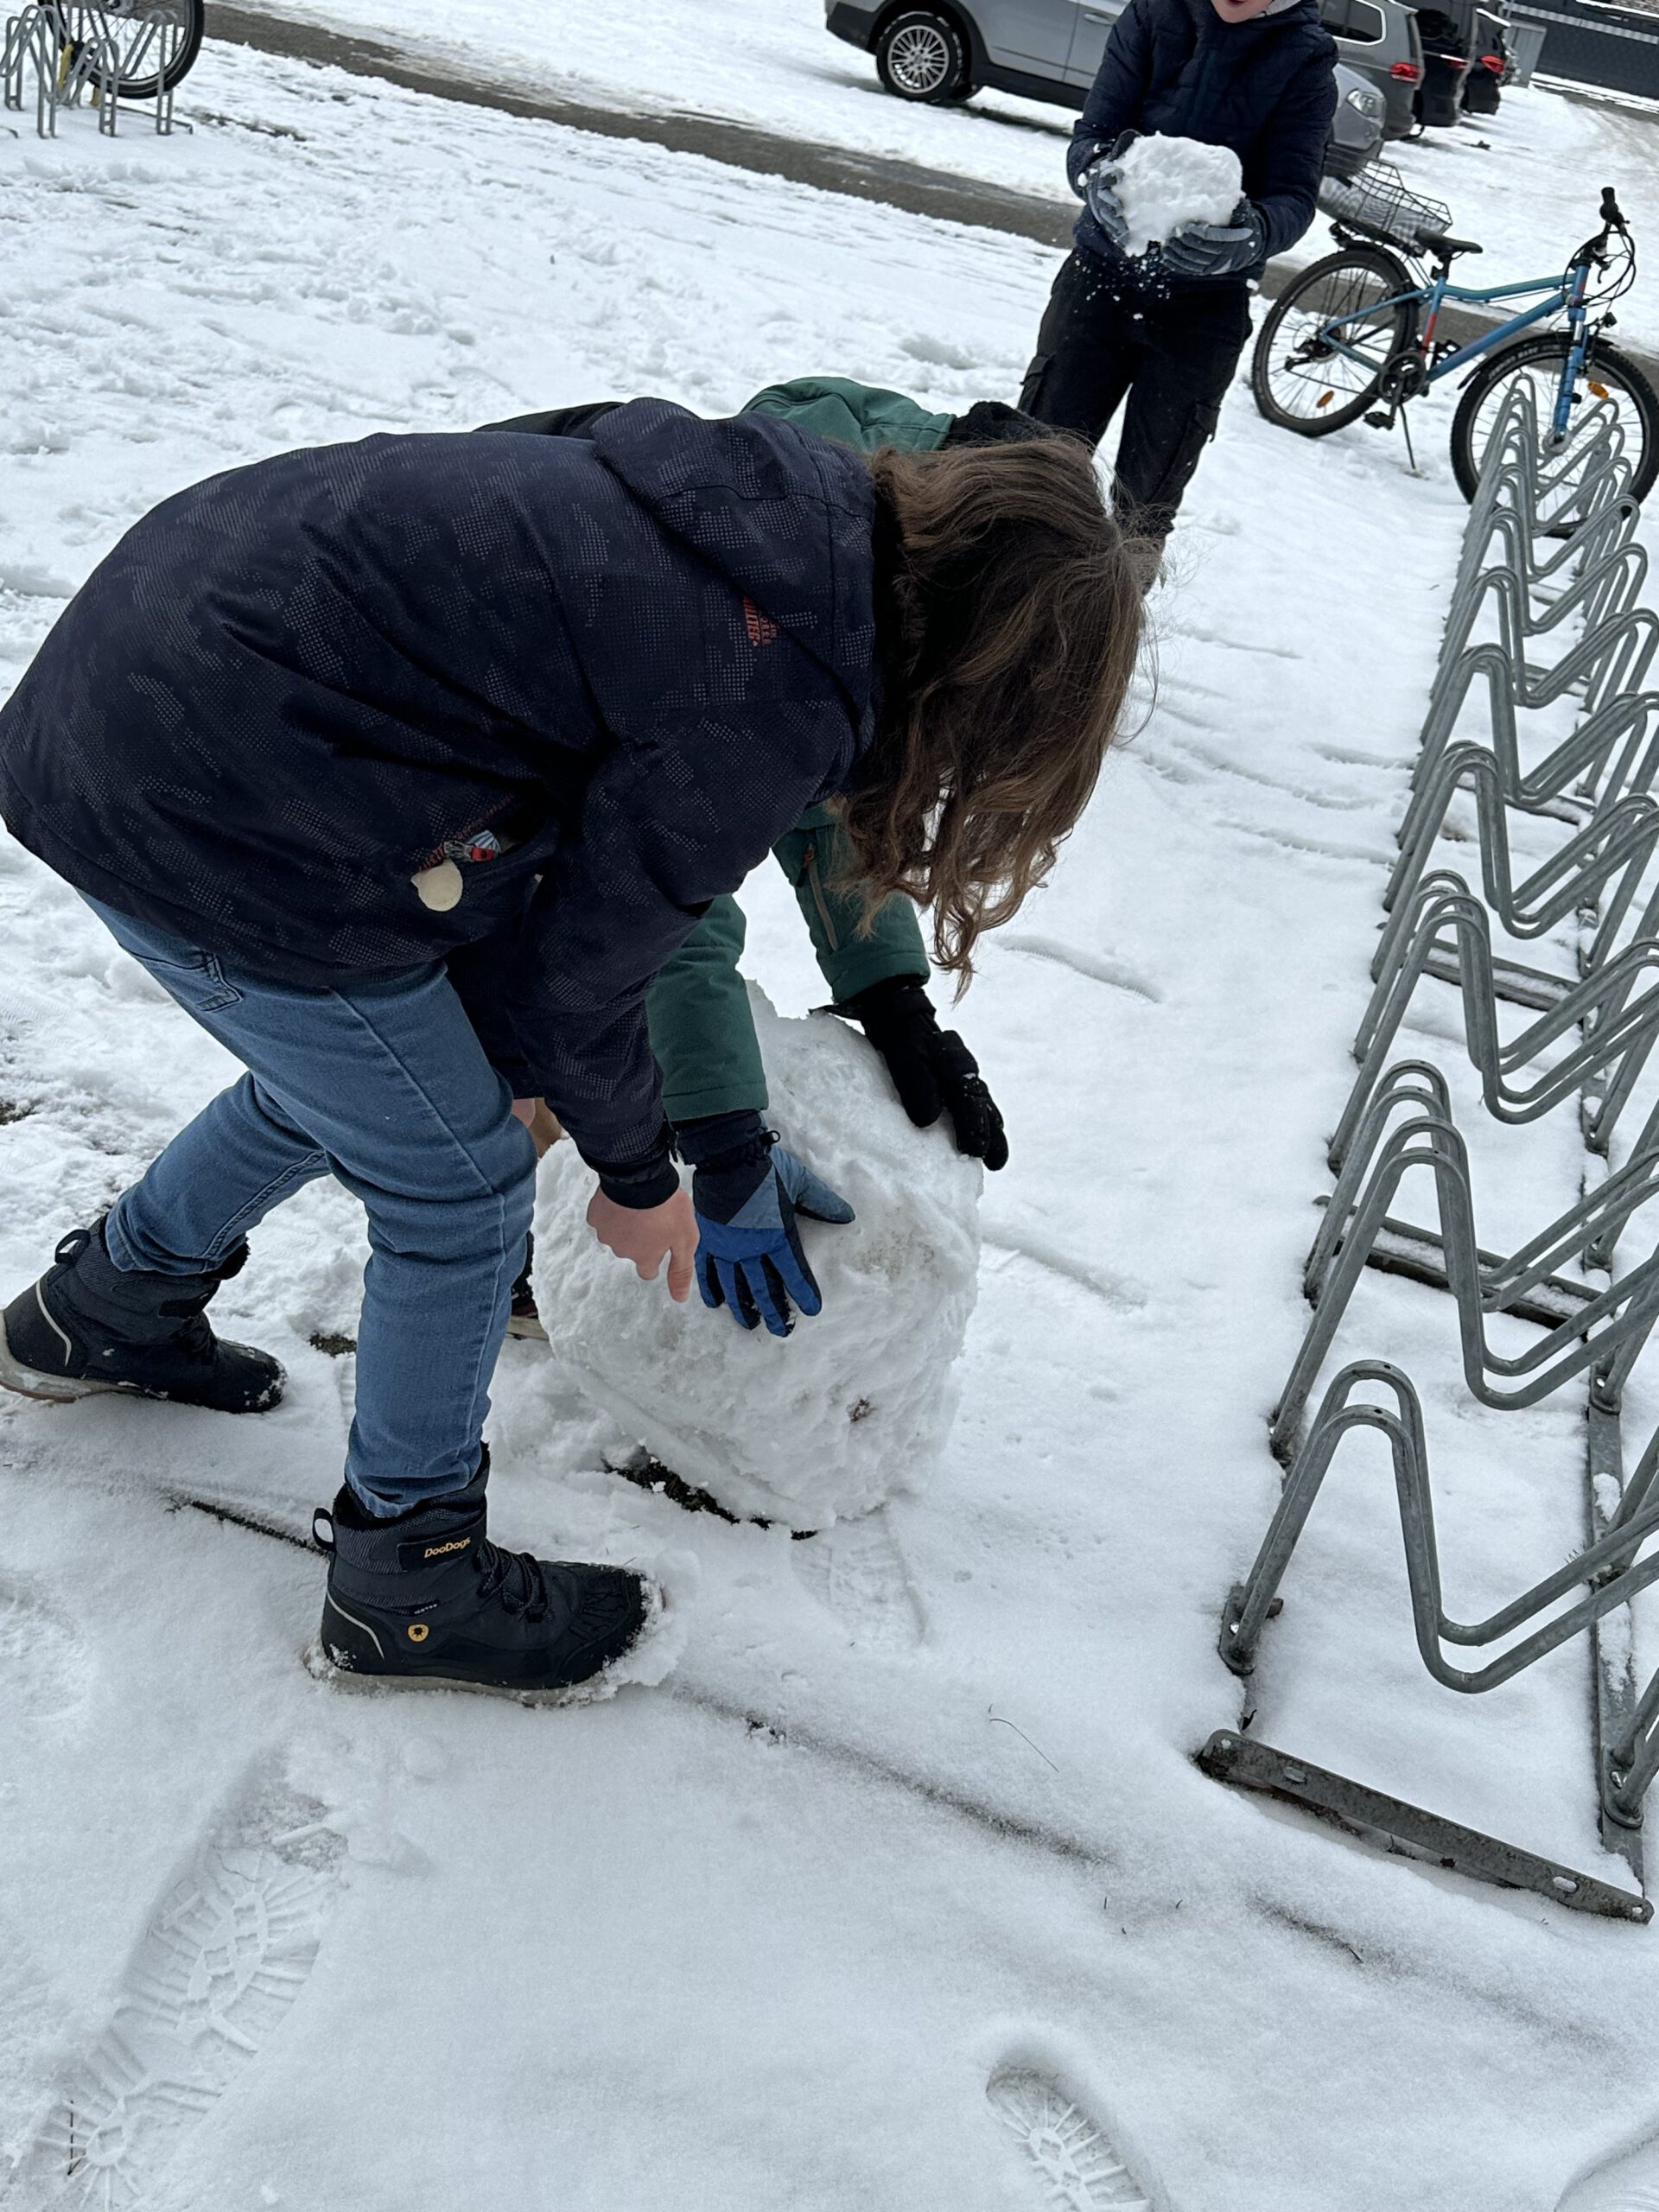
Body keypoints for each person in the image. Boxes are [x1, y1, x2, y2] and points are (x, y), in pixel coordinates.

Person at [0, 404, 1144, 1700]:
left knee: (404, 1077)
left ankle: (103, 1311)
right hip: (201, 792)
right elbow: (595, 971)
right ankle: (410, 1583)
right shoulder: (769, 676)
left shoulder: (786, 522)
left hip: (164, 666)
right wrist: (649, 1173)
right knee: (459, 1186)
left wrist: (836, 1038)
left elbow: (588, 903)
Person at [490, 379, 1040, 1341]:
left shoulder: (872, 549)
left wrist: (890, 991)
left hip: (495, 755)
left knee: (421, 1065)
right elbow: (664, 891)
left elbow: (822, 807)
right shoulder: (788, 578)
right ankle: (496, 1234)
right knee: (478, 1054)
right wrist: (723, 1132)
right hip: (440, 762)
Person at [1020, 0, 1338, 557]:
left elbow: (1293, 194)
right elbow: (1094, 132)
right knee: (1031, 476)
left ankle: (1112, 612)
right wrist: (1095, 173)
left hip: (1204, 312)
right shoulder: (1153, 14)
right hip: (1098, 283)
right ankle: (1003, 600)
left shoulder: (1306, 58)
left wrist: (1256, 232)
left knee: (1143, 512)